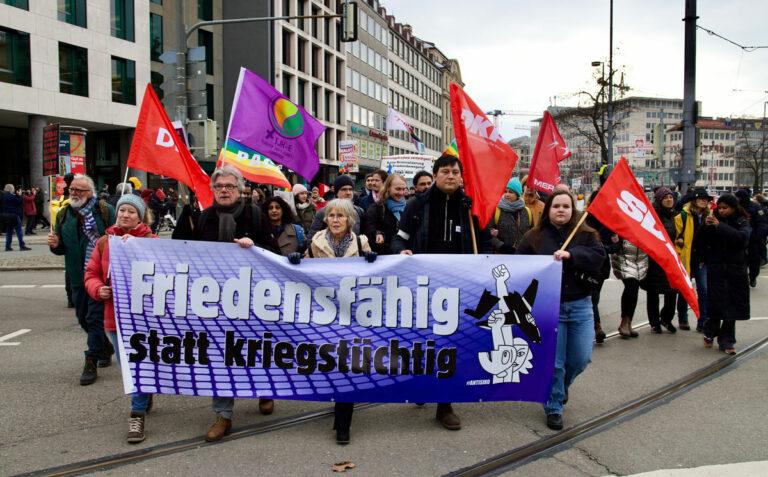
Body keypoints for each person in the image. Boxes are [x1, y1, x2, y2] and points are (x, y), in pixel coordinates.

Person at [391, 155, 492, 431]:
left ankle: (444, 405)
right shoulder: (417, 204)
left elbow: (486, 244)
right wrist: (400, 250)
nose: (450, 176)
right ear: (435, 175)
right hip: (423, 289)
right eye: (445, 171)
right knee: (423, 342)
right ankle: (423, 384)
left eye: (455, 172)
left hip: (460, 289)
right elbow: (399, 237)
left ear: (461, 177)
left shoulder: (471, 207)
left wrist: (487, 259)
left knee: (451, 345)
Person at [187, 166, 279, 442]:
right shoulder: (204, 218)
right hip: (216, 301)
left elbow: (274, 253)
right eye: (219, 187)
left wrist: (255, 248)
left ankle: (265, 390)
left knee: (256, 348)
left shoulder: (254, 214)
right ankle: (223, 415)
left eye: (229, 186)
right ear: (213, 191)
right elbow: (188, 255)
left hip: (253, 298)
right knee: (220, 355)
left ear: (240, 190)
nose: (224, 190)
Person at [517, 190, 606, 430]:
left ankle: (561, 387)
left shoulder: (586, 234)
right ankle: (553, 404)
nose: (561, 210)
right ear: (548, 210)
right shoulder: (533, 237)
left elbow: (599, 258)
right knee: (554, 363)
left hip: (580, 305)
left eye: (566, 206)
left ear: (572, 210)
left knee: (580, 358)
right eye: (556, 206)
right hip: (549, 307)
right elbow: (520, 265)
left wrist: (571, 255)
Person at [289, 198, 376, 445]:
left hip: (352, 312)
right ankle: (338, 408)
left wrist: (373, 260)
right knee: (330, 360)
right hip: (324, 312)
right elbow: (304, 269)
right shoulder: (315, 243)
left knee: (346, 361)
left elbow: (376, 275)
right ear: (325, 219)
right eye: (331, 215)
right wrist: (297, 259)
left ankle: (343, 423)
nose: (336, 220)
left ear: (350, 219)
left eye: (341, 215)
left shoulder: (361, 242)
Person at [84, 194, 157, 443]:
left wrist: (137, 248)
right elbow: (91, 273)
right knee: (126, 366)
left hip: (145, 319)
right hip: (114, 317)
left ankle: (136, 414)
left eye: (131, 212)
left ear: (141, 216)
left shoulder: (152, 241)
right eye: (122, 211)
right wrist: (97, 289)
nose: (125, 215)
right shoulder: (104, 243)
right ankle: (144, 394)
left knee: (139, 364)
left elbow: (164, 272)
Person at [48, 174, 116, 385]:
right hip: (77, 276)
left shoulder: (104, 211)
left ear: (90, 193)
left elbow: (118, 236)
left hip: (99, 275)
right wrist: (55, 244)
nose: (74, 193)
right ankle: (105, 347)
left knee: (94, 319)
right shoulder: (64, 214)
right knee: (82, 318)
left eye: (79, 190)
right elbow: (61, 249)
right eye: (72, 190)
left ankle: (90, 360)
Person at [695, 194, 751, 354]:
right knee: (716, 304)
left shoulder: (742, 221)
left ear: (733, 208)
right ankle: (709, 331)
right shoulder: (712, 219)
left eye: (725, 208)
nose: (721, 210)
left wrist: (720, 226)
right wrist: (705, 227)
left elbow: (742, 238)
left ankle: (727, 341)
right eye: (719, 207)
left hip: (736, 270)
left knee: (731, 308)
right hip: (717, 269)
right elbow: (699, 242)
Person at [674, 188, 712, 332]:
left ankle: (702, 321)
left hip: (702, 259)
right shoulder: (683, 216)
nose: (704, 201)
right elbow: (676, 237)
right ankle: (683, 318)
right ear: (694, 200)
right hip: (686, 257)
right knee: (685, 290)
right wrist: (679, 246)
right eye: (701, 198)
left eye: (706, 199)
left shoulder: (709, 216)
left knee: (703, 289)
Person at [643, 187, 678, 334]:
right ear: (659, 200)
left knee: (672, 290)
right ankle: (654, 322)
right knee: (653, 292)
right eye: (665, 198)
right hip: (654, 259)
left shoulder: (675, 215)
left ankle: (666, 318)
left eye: (671, 197)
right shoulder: (652, 216)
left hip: (670, 259)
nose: (669, 200)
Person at [611, 238, 648, 338]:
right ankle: (625, 321)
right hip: (624, 257)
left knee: (634, 288)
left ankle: (628, 321)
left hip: (641, 258)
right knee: (631, 285)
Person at [309, 175, 365, 240]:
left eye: (350, 189)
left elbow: (362, 237)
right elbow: (312, 238)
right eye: (344, 189)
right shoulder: (324, 212)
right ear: (336, 193)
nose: (348, 193)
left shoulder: (359, 211)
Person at [364, 173, 407, 255]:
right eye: (398, 189)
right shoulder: (376, 208)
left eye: (403, 189)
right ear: (388, 188)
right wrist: (377, 233)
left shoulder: (407, 207)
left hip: (403, 254)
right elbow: (369, 228)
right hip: (384, 256)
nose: (401, 193)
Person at [735, 189, 768, 288]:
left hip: (754, 240)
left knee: (754, 263)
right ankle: (742, 279)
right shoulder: (736, 208)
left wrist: (758, 236)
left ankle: (753, 277)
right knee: (740, 262)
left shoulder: (756, 207)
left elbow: (762, 223)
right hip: (741, 239)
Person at [490, 177, 531, 254]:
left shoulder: (527, 211)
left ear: (518, 194)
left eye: (511, 192)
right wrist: (501, 246)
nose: (507, 195)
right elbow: (488, 233)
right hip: (501, 256)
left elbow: (531, 234)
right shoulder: (496, 210)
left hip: (522, 256)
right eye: (505, 191)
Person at [2, 184, 31, 251]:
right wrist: (20, 195)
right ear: (11, 189)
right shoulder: (12, 196)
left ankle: (7, 246)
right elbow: (19, 202)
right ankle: (22, 245)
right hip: (13, 215)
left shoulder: (3, 196)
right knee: (19, 230)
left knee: (9, 231)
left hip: (5, 216)